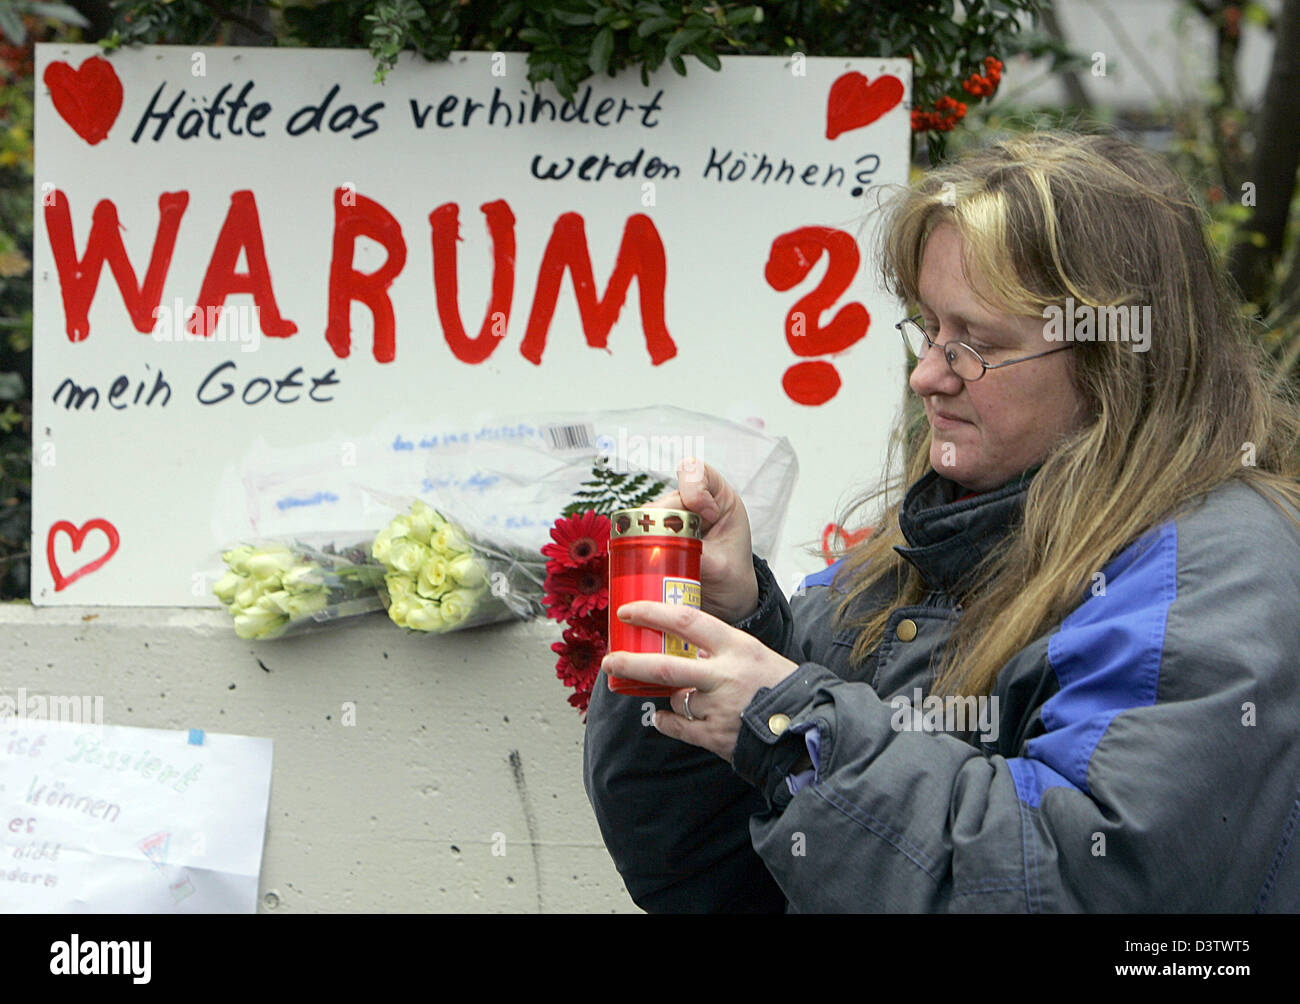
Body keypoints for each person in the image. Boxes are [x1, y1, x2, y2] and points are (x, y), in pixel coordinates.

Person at [582, 130, 1300, 913]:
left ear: (1114, 364)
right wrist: (728, 627)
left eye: (976, 345)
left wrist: (797, 732)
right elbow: (703, 878)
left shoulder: (1213, 574)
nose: (927, 375)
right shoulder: (924, 539)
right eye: (929, 330)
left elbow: (1085, 887)